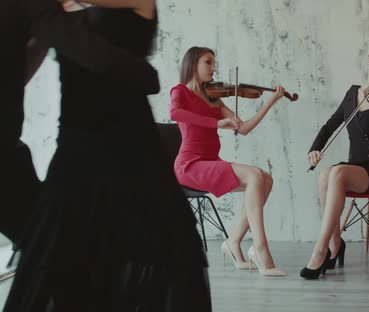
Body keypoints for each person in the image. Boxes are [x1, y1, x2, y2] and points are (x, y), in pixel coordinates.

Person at [4, 1, 211, 311]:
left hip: (130, 151)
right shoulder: (48, 12)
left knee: (142, 257)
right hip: (74, 154)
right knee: (60, 261)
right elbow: (21, 68)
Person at [0, 0, 159, 282]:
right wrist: (145, 75)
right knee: (58, 248)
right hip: (62, 145)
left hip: (112, 139)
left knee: (56, 246)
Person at [170, 46, 287, 276]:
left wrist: (270, 102)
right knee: (254, 174)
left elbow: (243, 129)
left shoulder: (214, 98)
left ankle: (233, 243)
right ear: (193, 64)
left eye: (214, 63)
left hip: (210, 162)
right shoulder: (180, 91)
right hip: (190, 165)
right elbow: (175, 114)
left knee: (266, 179)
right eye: (208, 62)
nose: (214, 68)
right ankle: (261, 250)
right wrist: (215, 124)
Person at [301, 38, 369, 279]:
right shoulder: (352, 93)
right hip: (356, 166)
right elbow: (330, 125)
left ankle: (320, 250)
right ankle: (336, 244)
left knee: (336, 172)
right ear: (368, 59)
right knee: (326, 174)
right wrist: (315, 148)